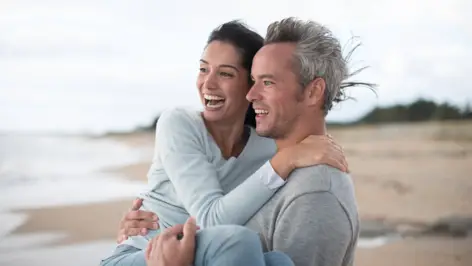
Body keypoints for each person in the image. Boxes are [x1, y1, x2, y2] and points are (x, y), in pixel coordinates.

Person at [101, 20, 347, 266]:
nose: (208, 84)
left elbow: (303, 135)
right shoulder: (178, 124)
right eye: (203, 69)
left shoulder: (266, 147)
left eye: (225, 73)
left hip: (208, 254)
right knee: (240, 242)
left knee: (279, 262)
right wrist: (286, 160)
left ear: (250, 84)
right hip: (146, 254)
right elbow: (210, 219)